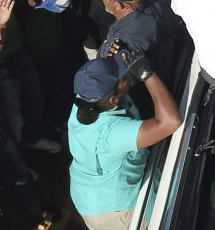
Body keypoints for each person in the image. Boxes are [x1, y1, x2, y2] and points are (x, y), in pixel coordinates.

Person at [68, 52, 182, 230]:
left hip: (87, 193)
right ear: (114, 99)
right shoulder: (112, 134)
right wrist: (147, 74)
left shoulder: (85, 100)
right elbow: (170, 122)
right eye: (121, 74)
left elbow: (124, 81)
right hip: (113, 211)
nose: (127, 71)